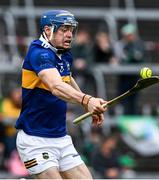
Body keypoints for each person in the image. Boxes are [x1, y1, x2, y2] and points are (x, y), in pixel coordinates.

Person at [15, 10, 107, 179]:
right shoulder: (39, 53)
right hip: (35, 139)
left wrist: (87, 104)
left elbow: (66, 79)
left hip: (60, 137)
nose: (69, 35)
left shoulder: (64, 55)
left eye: (71, 30)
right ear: (48, 30)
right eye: (63, 29)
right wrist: (87, 99)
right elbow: (56, 86)